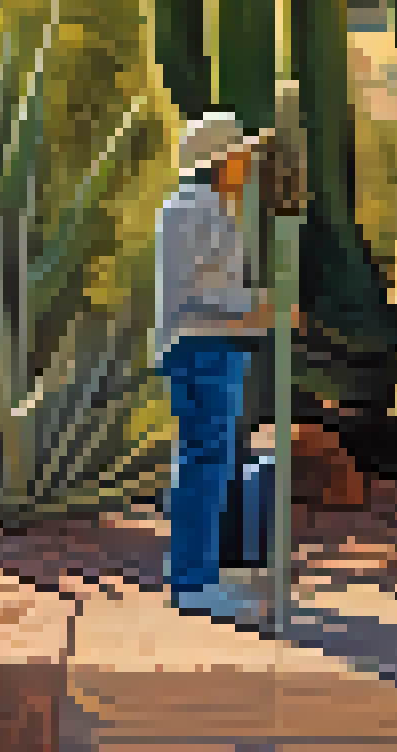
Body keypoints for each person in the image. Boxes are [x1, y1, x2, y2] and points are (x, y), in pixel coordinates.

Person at [154, 112, 293, 627]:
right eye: (240, 156)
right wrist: (262, 307)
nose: (247, 164)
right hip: (203, 347)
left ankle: (195, 577)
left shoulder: (197, 208)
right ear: (220, 162)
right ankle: (192, 583)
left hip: (204, 345)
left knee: (203, 461)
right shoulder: (200, 210)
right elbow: (199, 292)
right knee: (204, 463)